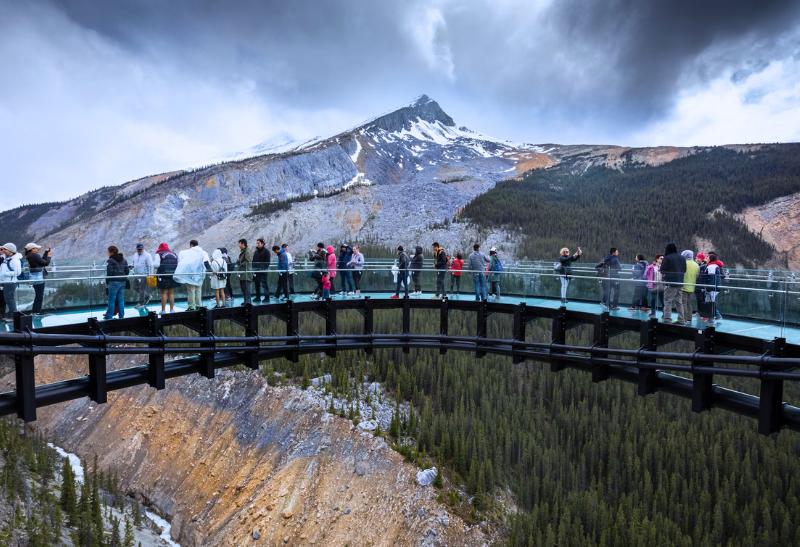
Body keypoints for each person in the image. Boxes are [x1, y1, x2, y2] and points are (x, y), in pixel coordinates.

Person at [173, 240, 209, 311]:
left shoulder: (187, 252)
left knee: (191, 291)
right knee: (198, 290)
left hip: (190, 276)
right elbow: (206, 262)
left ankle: (191, 306)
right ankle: (198, 305)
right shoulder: (203, 252)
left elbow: (182, 262)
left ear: (191, 245)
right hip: (200, 275)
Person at [660, 243, 686, 324]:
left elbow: (662, 270)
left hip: (670, 283)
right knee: (679, 302)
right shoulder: (682, 257)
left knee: (668, 301)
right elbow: (684, 270)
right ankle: (681, 319)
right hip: (680, 282)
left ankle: (667, 319)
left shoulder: (667, 258)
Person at [24, 243, 52, 315]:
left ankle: (35, 311)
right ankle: (36, 312)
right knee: (39, 296)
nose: (38, 249)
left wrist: (45, 253)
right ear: (32, 249)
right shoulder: (34, 255)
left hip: (34, 277)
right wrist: (49, 256)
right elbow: (45, 263)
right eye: (36, 248)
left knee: (38, 295)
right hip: (38, 277)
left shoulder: (30, 255)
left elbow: (41, 262)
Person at [103, 245, 128, 320]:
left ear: (111, 252)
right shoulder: (124, 260)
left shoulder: (110, 261)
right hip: (122, 281)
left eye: (108, 252)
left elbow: (109, 272)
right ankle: (121, 316)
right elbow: (127, 271)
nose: (107, 253)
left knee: (111, 300)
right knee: (121, 300)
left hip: (113, 282)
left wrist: (107, 281)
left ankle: (109, 316)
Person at [153, 243, 179, 314]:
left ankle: (163, 310)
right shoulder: (174, 254)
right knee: (171, 293)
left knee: (164, 293)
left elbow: (156, 265)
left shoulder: (159, 254)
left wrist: (151, 264)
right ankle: (172, 310)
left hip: (163, 276)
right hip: (172, 275)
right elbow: (178, 264)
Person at [0, 243, 22, 322]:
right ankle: (11, 315)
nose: (3, 251)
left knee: (10, 299)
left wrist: (4, 274)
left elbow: (18, 272)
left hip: (10, 282)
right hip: (7, 282)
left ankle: (13, 317)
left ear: (10, 251)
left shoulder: (14, 260)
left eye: (5, 249)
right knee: (8, 299)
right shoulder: (9, 259)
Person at [702, 252, 725, 322]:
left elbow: (711, 278)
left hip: (712, 287)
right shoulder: (715, 266)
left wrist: (708, 288)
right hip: (715, 287)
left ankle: (713, 317)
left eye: (708, 258)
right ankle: (711, 317)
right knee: (711, 302)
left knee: (711, 302)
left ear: (711, 259)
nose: (706, 259)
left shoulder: (711, 267)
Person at [131, 243, 154, 308]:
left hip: (145, 275)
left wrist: (150, 275)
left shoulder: (147, 255)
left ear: (143, 248)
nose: (140, 250)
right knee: (135, 287)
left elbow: (151, 265)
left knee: (142, 289)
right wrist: (133, 270)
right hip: (136, 275)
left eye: (141, 249)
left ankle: (141, 303)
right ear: (136, 249)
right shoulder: (135, 255)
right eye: (138, 249)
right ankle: (147, 296)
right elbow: (134, 263)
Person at [680, 250, 699, 324]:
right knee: (689, 303)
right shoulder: (696, 265)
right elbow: (697, 276)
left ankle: (684, 318)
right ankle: (689, 318)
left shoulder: (683, 263)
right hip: (692, 287)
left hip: (683, 286)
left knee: (683, 303)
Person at [252, 238, 271, 303]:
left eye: (258, 243)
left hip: (263, 271)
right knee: (257, 284)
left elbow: (267, 263)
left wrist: (262, 269)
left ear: (262, 244)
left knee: (264, 284)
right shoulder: (256, 252)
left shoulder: (266, 251)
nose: (257, 244)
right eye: (257, 243)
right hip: (256, 271)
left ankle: (267, 298)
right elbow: (253, 262)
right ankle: (258, 297)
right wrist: (253, 269)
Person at [237, 239, 253, 305]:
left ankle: (248, 303)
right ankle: (246, 301)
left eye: (239, 243)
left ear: (243, 244)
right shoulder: (244, 251)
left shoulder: (247, 251)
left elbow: (248, 261)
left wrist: (240, 263)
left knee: (247, 289)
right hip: (243, 273)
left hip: (246, 273)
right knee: (244, 288)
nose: (239, 245)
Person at [694, 252, 709, 318]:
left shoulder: (704, 266)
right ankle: (700, 312)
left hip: (701, 286)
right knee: (699, 300)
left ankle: (702, 313)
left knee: (701, 300)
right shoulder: (697, 265)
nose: (697, 259)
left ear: (702, 259)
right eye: (696, 257)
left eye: (698, 258)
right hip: (697, 285)